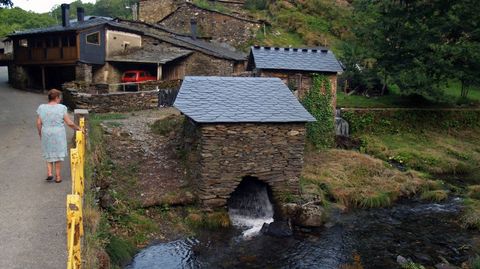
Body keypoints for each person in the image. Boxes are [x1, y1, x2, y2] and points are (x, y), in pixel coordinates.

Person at [36, 89, 81, 183]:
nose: (60, 99)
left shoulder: (42, 107)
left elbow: (39, 123)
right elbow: (69, 122)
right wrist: (78, 128)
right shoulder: (61, 108)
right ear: (56, 98)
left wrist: (40, 133)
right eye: (59, 97)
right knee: (58, 154)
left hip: (46, 132)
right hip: (58, 133)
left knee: (48, 152)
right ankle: (58, 177)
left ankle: (49, 173)